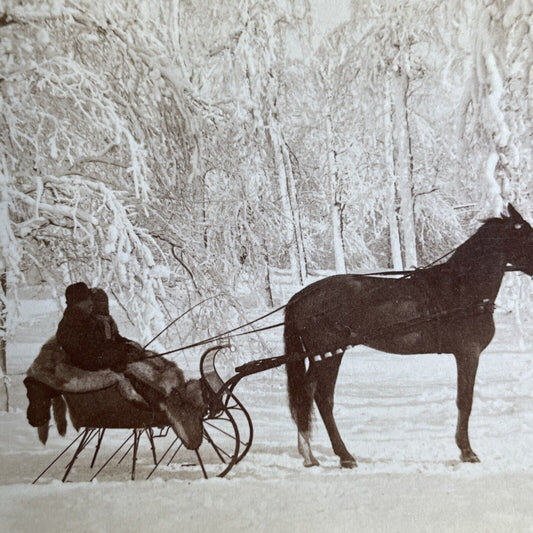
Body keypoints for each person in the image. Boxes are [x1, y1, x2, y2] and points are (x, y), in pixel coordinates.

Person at [56, 282, 128, 371]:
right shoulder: (72, 325)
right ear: (77, 303)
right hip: (84, 378)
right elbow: (87, 359)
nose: (91, 303)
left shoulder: (87, 321)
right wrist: (122, 353)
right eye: (87, 299)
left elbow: (103, 345)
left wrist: (125, 347)